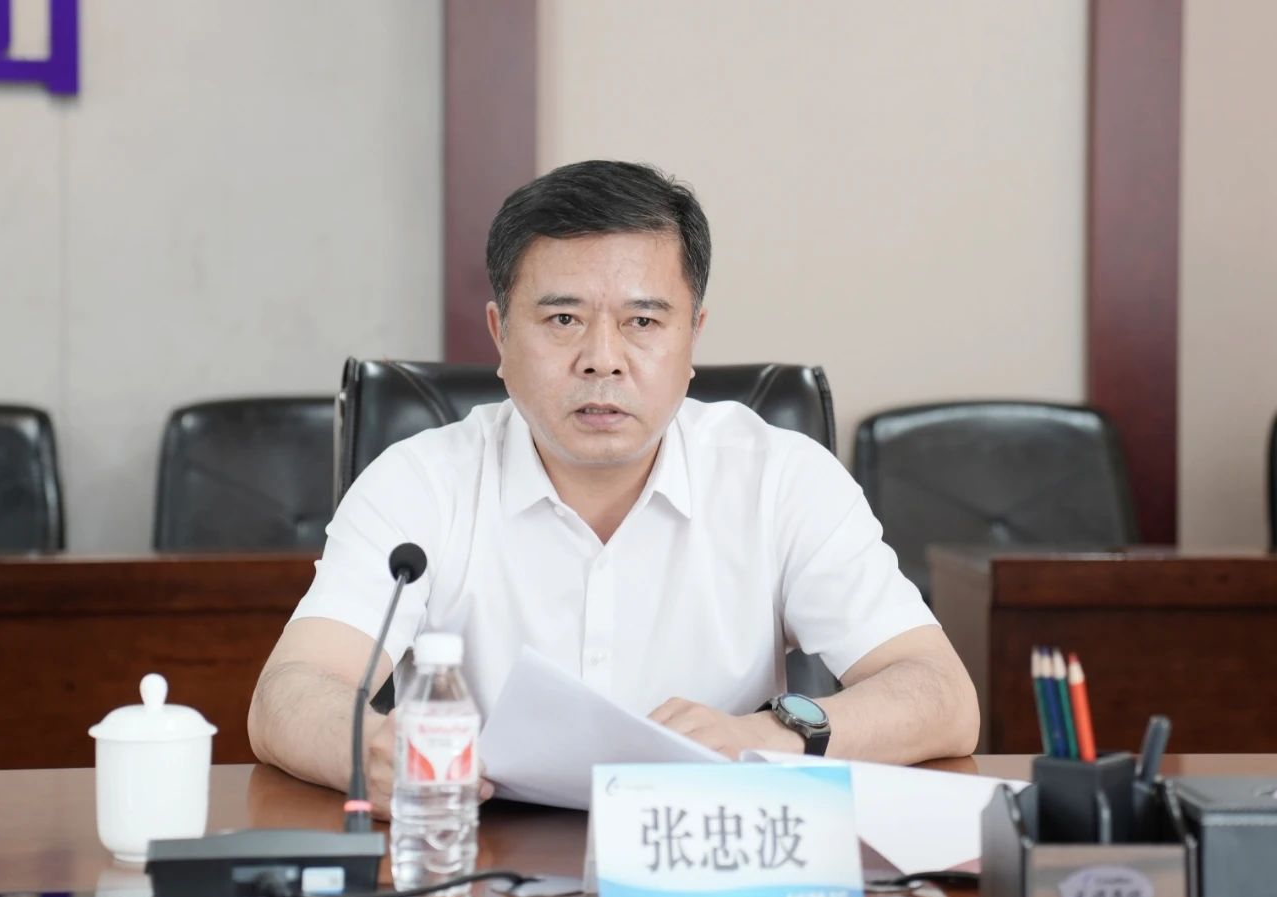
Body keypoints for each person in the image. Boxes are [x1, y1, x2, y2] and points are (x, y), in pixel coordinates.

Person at [248, 160, 979, 816]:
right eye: (563, 319)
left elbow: (942, 696)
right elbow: (290, 691)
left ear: (692, 337)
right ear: (501, 336)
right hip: (474, 851)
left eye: (643, 321)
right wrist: (366, 747)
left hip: (706, 851)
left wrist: (768, 737)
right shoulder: (419, 481)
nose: (603, 359)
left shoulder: (781, 478)